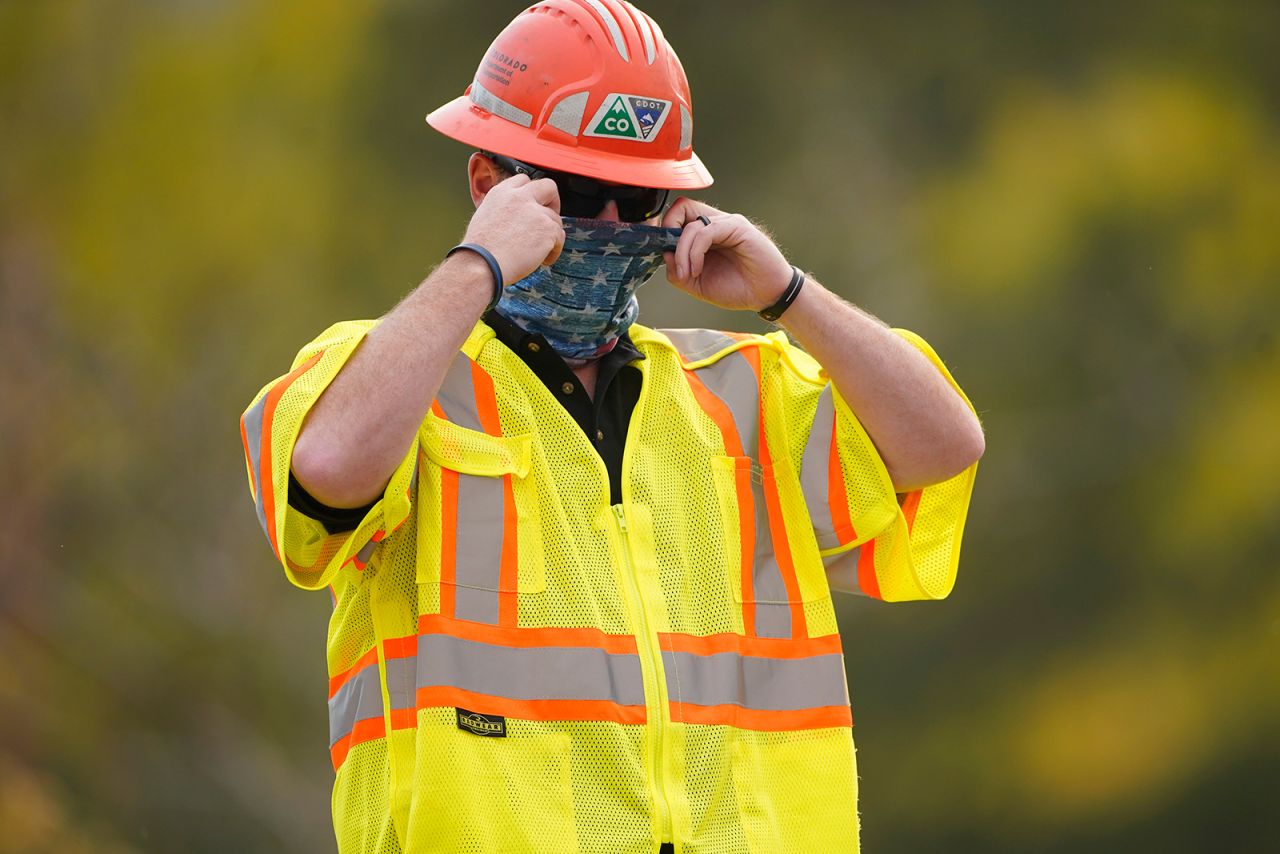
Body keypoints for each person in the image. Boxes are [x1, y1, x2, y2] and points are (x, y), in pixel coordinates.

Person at [240, 1, 983, 851]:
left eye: (638, 198)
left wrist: (787, 296)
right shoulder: (399, 382)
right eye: (579, 192)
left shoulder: (742, 395)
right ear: (488, 185)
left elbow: (946, 445)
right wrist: (477, 266)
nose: (607, 226)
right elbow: (328, 466)